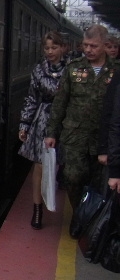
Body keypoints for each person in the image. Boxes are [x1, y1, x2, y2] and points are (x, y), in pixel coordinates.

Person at [45, 24, 116, 235]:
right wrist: (51, 132)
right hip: (75, 135)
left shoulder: (116, 70)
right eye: (85, 45)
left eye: (93, 46)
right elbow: (60, 103)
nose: (88, 49)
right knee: (73, 178)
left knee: (98, 182)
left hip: (103, 139)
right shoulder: (74, 68)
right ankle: (79, 215)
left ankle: (93, 220)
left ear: (105, 45)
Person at [18, 31, 66, 229]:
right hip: (43, 120)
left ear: (62, 48)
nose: (50, 51)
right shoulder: (39, 70)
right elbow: (31, 98)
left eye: (54, 47)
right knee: (39, 166)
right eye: (46, 48)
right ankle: (37, 209)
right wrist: (24, 124)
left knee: (63, 165)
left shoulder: (72, 70)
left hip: (65, 121)